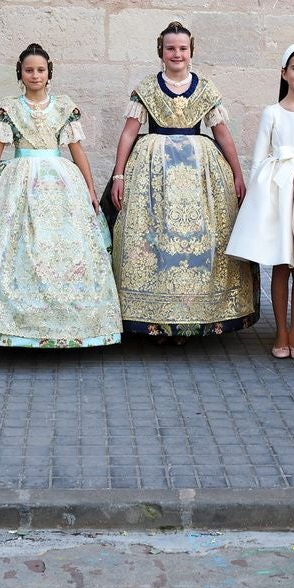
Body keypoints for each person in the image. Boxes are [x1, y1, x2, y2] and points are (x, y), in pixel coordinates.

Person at [0, 44, 121, 349]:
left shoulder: (64, 107)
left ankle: (76, 324)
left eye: (40, 70)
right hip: (20, 181)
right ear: (20, 72)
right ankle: (8, 325)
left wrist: (90, 190)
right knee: (16, 247)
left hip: (60, 182)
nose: (35, 75)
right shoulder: (9, 109)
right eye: (29, 70)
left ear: (49, 72)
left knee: (63, 246)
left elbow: (76, 151)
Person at [109, 20, 257, 345]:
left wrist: (237, 172)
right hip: (152, 172)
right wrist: (119, 174)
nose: (177, 54)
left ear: (192, 52)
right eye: (170, 48)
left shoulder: (206, 89)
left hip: (200, 173)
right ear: (160, 52)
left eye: (182, 48)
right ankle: (157, 323)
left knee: (200, 245)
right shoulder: (146, 88)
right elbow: (129, 133)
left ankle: (189, 322)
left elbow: (222, 134)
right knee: (154, 242)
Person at [225, 44, 294, 361]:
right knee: (281, 262)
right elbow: (260, 160)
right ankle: (280, 333)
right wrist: (260, 201)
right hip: (279, 193)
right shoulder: (272, 113)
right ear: (284, 73)